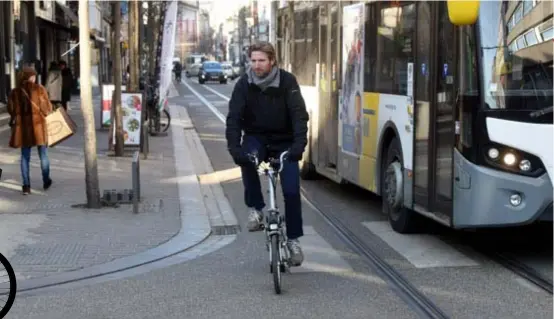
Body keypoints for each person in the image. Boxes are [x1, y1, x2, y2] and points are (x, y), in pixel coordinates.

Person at [225, 42, 309, 266]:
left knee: (291, 191)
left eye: (261, 60)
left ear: (272, 61)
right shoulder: (244, 84)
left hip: (285, 141)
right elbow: (234, 118)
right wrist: (235, 148)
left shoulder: (287, 81)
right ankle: (257, 209)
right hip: (256, 138)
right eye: (253, 61)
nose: (257, 65)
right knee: (247, 158)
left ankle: (293, 240)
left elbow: (299, 115)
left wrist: (298, 146)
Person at [7, 67, 53, 195]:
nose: (35, 78)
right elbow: (47, 109)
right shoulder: (39, 89)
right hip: (38, 128)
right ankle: (46, 180)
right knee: (43, 154)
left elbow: (11, 109)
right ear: (31, 77)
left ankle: (26, 186)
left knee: (25, 157)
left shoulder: (15, 92)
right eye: (34, 76)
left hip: (23, 130)